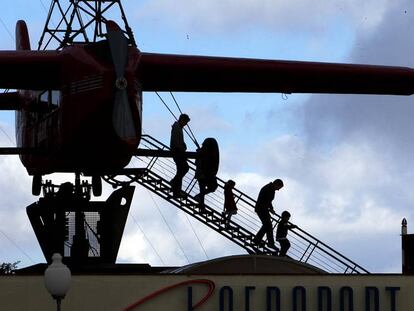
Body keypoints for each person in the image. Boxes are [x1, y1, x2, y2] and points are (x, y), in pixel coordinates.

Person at [253, 179, 284, 249]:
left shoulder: (270, 188)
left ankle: (258, 240)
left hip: (262, 209)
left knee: (267, 225)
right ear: (276, 184)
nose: (278, 190)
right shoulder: (269, 189)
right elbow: (266, 200)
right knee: (268, 225)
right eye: (279, 187)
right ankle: (267, 242)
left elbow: (268, 201)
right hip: (261, 209)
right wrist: (270, 209)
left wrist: (271, 209)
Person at [170, 114, 190, 197]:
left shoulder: (178, 127)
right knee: (184, 168)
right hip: (177, 152)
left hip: (178, 151)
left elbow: (177, 140)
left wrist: (183, 145)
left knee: (181, 170)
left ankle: (176, 190)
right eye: (185, 122)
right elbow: (176, 141)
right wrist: (181, 148)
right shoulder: (177, 127)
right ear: (182, 120)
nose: (186, 124)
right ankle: (175, 186)